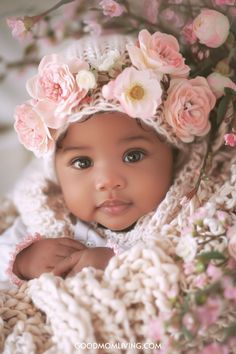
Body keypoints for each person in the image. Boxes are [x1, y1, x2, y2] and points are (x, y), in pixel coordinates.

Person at [0, 29, 219, 289]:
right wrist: (24, 260)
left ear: (174, 155)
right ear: (56, 173)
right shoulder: (46, 218)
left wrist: (122, 263)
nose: (108, 181)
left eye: (133, 156)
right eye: (82, 162)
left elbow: (198, 272)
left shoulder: (186, 218)